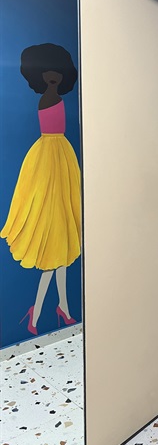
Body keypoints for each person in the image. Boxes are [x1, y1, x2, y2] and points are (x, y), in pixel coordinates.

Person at [1, 43, 81, 335]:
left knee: (61, 249)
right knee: (55, 248)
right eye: (46, 72)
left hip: (59, 158)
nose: (52, 76)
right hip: (50, 159)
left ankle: (61, 308)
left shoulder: (53, 96)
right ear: (40, 75)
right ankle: (40, 314)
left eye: (55, 71)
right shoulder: (49, 98)